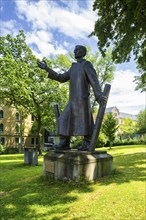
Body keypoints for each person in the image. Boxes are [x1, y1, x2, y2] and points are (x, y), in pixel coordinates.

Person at [37, 45, 106, 151]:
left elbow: (94, 81)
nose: (74, 52)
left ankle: (86, 143)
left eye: (77, 50)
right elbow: (60, 77)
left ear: (83, 52)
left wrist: (99, 95)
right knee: (64, 119)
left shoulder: (86, 65)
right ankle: (65, 143)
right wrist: (47, 68)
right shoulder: (73, 67)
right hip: (72, 101)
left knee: (85, 122)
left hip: (82, 100)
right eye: (74, 50)